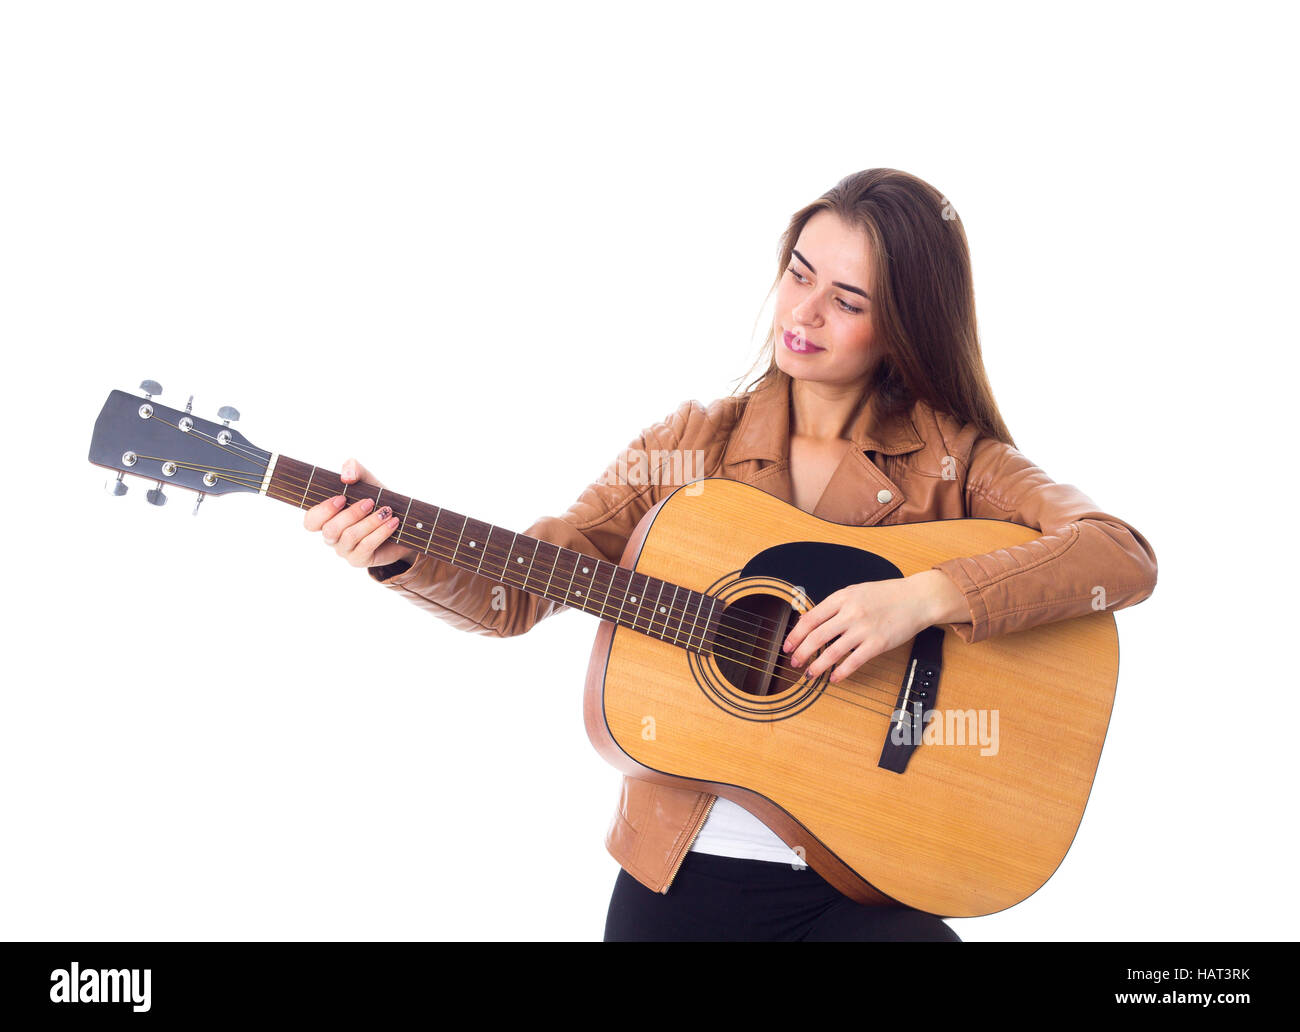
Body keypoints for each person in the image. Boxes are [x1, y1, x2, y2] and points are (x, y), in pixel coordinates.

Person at [301, 168, 1159, 941]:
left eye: (848, 301)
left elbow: (1119, 556)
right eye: (798, 274)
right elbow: (527, 585)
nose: (803, 313)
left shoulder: (957, 464)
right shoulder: (691, 444)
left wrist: (924, 598)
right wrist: (399, 552)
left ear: (904, 326)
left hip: (870, 883)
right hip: (680, 883)